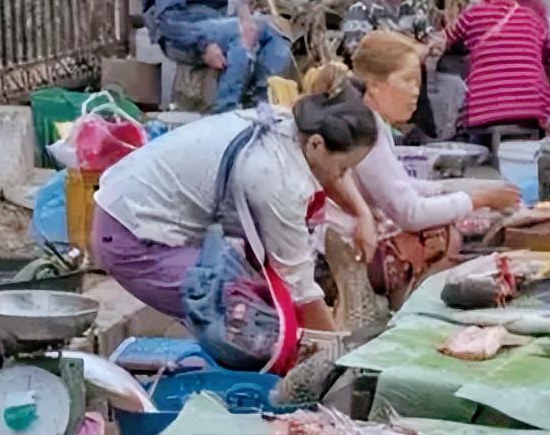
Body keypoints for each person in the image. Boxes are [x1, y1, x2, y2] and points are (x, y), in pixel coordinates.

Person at [93, 89, 380, 341]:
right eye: (343, 169)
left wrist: (362, 214)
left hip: (135, 202)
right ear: (317, 144)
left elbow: (332, 171)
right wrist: (335, 354)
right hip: (132, 233)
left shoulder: (289, 124)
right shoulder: (278, 178)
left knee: (263, 310)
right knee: (255, 325)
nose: (342, 177)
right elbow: (299, 285)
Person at [307, 35, 522, 308]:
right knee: (442, 235)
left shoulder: (365, 120)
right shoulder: (365, 130)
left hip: (339, 234)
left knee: (452, 215)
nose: (414, 92)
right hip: (344, 245)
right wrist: (478, 199)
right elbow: (409, 213)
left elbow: (396, 184)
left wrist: (453, 188)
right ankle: (408, 307)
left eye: (417, 83)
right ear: (375, 85)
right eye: (407, 80)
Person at [144, 0, 294, 112]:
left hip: (210, 24)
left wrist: (241, 16)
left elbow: (219, 12)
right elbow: (167, 20)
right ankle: (225, 111)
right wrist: (202, 45)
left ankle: (261, 106)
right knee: (241, 33)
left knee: (273, 31)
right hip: (180, 35)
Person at [339, 0, 451, 141]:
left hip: (412, 80)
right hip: (379, 84)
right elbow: (358, 48)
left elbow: (430, 37)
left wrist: (435, 45)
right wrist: (410, 48)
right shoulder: (362, 9)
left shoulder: (412, 7)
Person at [444, 0, 550, 133]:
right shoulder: (533, 18)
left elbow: (446, 39)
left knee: (464, 122)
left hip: (485, 108)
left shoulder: (474, 14)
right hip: (533, 108)